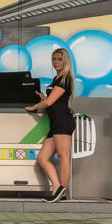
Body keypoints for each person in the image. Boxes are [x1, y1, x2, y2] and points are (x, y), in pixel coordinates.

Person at [26, 48, 76, 203]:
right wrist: (43, 97)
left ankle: (63, 192)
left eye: (59, 59)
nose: (56, 62)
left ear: (65, 61)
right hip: (55, 123)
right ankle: (57, 187)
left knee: (63, 157)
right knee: (42, 158)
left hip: (63, 121)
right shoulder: (57, 78)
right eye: (54, 59)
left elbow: (49, 102)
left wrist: (35, 106)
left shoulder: (65, 79)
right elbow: (51, 100)